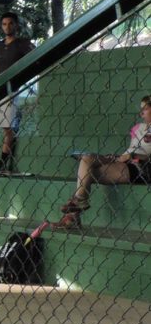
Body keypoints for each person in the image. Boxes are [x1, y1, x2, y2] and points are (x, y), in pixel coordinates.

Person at [56, 95, 151, 229]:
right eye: (141, 109)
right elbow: (131, 149)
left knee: (87, 172)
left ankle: (74, 213)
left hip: (143, 167)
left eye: (145, 108)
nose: (141, 113)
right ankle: (79, 202)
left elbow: (137, 153)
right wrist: (120, 156)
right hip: (125, 161)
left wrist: (133, 155)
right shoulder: (138, 128)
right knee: (86, 158)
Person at [0, 12, 35, 175]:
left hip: (12, 89)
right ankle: (4, 162)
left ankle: (2, 162)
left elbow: (35, 58)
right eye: (4, 24)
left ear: (16, 25)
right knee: (3, 127)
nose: (7, 27)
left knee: (8, 128)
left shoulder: (23, 44)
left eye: (10, 23)